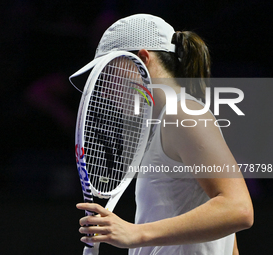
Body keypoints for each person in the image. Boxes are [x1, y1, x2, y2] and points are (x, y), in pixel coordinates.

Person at [73, 14, 253, 254]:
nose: (105, 90)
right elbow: (227, 237)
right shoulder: (160, 124)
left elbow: (238, 209)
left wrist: (134, 233)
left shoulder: (182, 114)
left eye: (108, 73)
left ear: (142, 59)